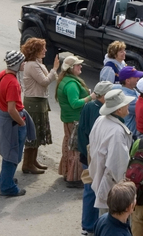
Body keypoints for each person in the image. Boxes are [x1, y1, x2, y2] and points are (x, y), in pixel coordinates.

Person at [77, 81, 114, 235]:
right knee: (95, 190)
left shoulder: (88, 106)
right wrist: (89, 155)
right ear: (104, 96)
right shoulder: (100, 110)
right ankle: (92, 225)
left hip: (88, 155)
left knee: (90, 190)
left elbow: (81, 131)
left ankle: (89, 225)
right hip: (94, 157)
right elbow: (87, 134)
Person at [0, 50, 32, 197]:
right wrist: (22, 124)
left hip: (1, 117)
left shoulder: (1, 74)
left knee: (7, 151)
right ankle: (7, 187)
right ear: (16, 64)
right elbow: (12, 109)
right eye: (22, 62)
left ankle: (3, 179)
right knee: (12, 154)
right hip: (12, 122)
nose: (24, 64)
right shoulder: (13, 83)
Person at [89, 89, 134, 211]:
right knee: (113, 219)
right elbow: (118, 165)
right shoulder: (117, 132)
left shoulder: (101, 120)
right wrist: (124, 188)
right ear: (119, 109)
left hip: (99, 175)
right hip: (112, 186)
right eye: (126, 104)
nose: (128, 105)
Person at [21, 38, 59, 174]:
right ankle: (27, 163)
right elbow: (44, 81)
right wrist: (54, 69)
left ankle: (33, 160)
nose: (45, 50)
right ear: (35, 50)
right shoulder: (31, 65)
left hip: (40, 101)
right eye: (42, 48)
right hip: (34, 103)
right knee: (33, 133)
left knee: (37, 133)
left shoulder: (37, 63)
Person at [56, 56, 93, 188]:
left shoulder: (65, 80)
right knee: (76, 149)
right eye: (78, 65)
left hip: (68, 119)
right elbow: (75, 103)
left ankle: (67, 173)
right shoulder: (71, 84)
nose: (80, 67)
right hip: (75, 119)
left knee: (68, 145)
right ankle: (74, 178)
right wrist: (90, 97)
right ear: (71, 68)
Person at [117, 66, 142, 137]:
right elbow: (142, 109)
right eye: (135, 77)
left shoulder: (133, 90)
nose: (138, 78)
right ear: (127, 81)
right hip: (130, 134)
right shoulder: (127, 97)